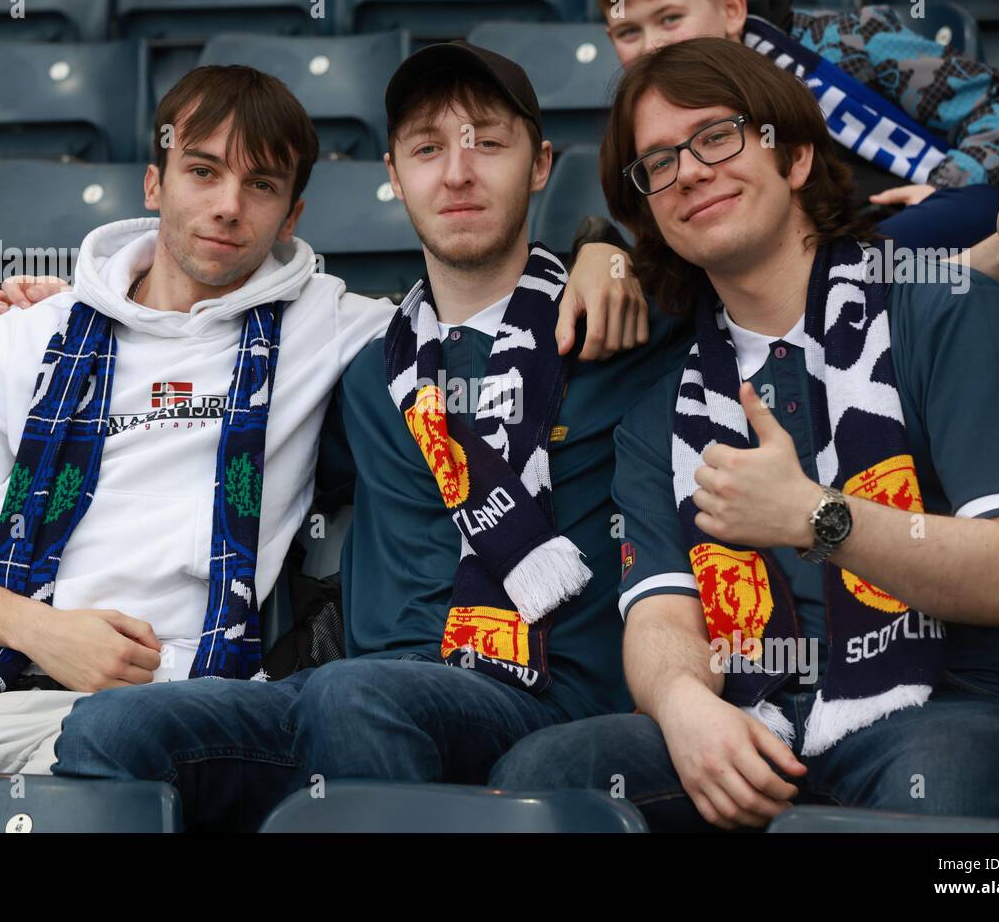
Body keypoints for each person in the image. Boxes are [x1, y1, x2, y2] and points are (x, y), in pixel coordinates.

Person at [0, 62, 637, 814]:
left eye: (261, 184)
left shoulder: (344, 336)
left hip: (147, 695)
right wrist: (35, 629)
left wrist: (605, 248)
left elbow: (480, 301)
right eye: (203, 172)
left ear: (292, 214)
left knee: (124, 746)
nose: (226, 207)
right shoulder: (33, 334)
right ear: (155, 180)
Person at [45, 43, 693, 831]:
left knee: (357, 692)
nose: (456, 173)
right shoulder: (364, 365)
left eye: (487, 143)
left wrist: (608, 250)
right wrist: (83, 308)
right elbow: (196, 358)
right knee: (113, 727)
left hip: (541, 693)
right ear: (394, 173)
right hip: (352, 704)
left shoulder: (615, 330)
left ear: (540, 164)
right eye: (427, 150)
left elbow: (735, 247)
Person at [488, 37, 999, 830]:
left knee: (942, 778)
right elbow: (662, 617)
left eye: (716, 136)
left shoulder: (951, 311)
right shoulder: (662, 415)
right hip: (764, 720)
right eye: (660, 162)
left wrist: (820, 519)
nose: (692, 171)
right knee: (545, 773)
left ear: (798, 156)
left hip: (964, 708)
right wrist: (681, 708)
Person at [566, 0, 999, 308]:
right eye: (629, 32)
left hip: (913, 224)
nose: (653, 44)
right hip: (784, 275)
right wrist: (600, 250)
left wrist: (950, 183)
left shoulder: (848, 42)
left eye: (671, 18)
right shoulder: (647, 119)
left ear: (732, 10)